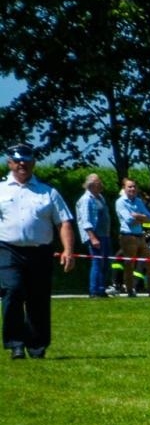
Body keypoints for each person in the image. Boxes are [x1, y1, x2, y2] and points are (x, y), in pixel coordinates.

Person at [0, 143, 75, 360]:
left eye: (27, 161)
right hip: (8, 249)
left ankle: (37, 345)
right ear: (10, 163)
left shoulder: (48, 192)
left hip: (40, 251)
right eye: (18, 161)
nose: (22, 164)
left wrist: (68, 250)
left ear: (33, 163)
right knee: (13, 291)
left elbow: (64, 223)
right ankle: (15, 343)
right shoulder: (2, 189)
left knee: (38, 298)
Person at [114, 178, 150, 297]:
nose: (132, 189)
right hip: (128, 236)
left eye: (134, 187)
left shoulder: (138, 201)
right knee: (129, 265)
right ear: (124, 188)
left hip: (140, 237)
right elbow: (129, 220)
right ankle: (130, 290)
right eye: (129, 187)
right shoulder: (120, 202)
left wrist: (138, 216)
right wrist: (142, 218)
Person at [75, 173, 111, 298]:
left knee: (105, 263)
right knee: (97, 262)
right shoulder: (86, 200)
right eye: (98, 182)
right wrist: (93, 237)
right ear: (90, 185)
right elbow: (85, 221)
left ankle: (102, 289)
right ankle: (94, 290)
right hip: (95, 235)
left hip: (104, 235)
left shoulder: (100, 197)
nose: (100, 184)